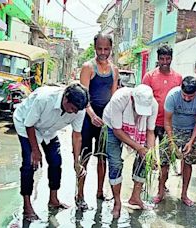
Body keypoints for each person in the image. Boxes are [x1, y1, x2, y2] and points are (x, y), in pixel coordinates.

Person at [13, 83, 89, 221]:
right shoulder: (44, 99)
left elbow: (77, 135)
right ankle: (27, 207)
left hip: (49, 130)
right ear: (65, 99)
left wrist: (76, 162)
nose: (74, 112)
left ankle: (53, 199)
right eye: (72, 108)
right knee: (29, 164)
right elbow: (29, 124)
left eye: (77, 110)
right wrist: (35, 151)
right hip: (26, 125)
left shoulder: (79, 110)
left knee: (55, 161)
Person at [102, 84, 158, 218]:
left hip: (138, 130)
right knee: (115, 163)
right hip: (112, 127)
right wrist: (138, 148)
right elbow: (117, 130)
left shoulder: (153, 105)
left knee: (145, 159)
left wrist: (150, 153)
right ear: (132, 99)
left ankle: (135, 197)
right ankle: (117, 202)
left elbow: (150, 131)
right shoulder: (120, 99)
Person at [77, 33, 119, 209]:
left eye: (106, 49)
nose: (103, 52)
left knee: (102, 158)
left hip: (104, 120)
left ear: (111, 48)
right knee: (84, 158)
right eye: (100, 49)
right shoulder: (88, 67)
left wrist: (111, 119)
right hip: (88, 119)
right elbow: (82, 96)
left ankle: (100, 192)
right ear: (95, 48)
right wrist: (92, 115)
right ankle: (79, 195)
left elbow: (114, 97)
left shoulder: (114, 70)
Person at [155, 76, 196, 206]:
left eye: (191, 97)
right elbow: (167, 121)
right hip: (172, 129)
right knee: (164, 162)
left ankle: (184, 194)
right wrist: (172, 143)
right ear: (181, 90)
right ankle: (160, 192)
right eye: (184, 95)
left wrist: (191, 142)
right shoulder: (172, 95)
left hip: (191, 131)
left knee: (188, 163)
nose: (187, 99)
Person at [142, 44, 182, 197]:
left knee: (165, 158)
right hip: (151, 124)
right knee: (148, 156)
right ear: (157, 59)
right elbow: (143, 99)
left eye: (167, 58)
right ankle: (144, 183)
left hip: (169, 125)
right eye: (162, 59)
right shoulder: (149, 76)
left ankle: (162, 185)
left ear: (171, 58)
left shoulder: (178, 77)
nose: (165, 61)